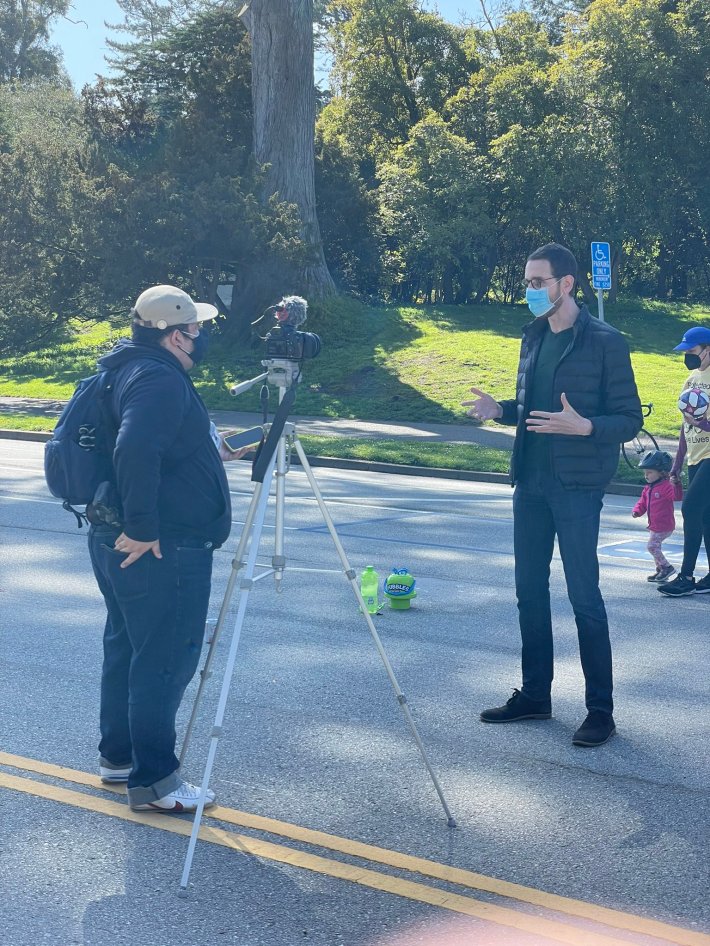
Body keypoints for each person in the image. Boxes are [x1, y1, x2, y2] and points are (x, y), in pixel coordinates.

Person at [462, 243, 642, 748]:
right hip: (532, 482)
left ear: (567, 284)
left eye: (539, 282)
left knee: (584, 597)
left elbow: (629, 419)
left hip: (578, 487)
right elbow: (533, 409)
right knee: (529, 593)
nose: (530, 291)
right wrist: (501, 410)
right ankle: (536, 696)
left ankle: (600, 711)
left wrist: (585, 426)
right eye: (527, 281)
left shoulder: (606, 342)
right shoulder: (533, 336)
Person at [88, 285, 248, 812]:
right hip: (163, 547)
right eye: (197, 330)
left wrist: (212, 454)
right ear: (176, 335)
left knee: (128, 647)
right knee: (163, 659)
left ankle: (120, 758)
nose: (201, 339)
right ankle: (156, 782)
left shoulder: (128, 367)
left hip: (123, 540)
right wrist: (144, 526)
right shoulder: (158, 378)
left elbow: (156, 445)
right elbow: (134, 446)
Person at [658, 326, 710, 597]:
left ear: (707, 349)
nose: (687, 356)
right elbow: (685, 425)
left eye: (692, 351)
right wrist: (677, 463)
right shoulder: (691, 380)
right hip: (696, 456)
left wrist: (704, 423)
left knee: (690, 509)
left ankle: (687, 576)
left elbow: (698, 421)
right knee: (705, 518)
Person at [631, 451, 681, 583]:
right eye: (645, 472)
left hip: (664, 525)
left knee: (652, 546)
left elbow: (676, 496)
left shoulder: (666, 486)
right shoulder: (648, 488)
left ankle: (667, 567)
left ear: (662, 473)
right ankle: (660, 570)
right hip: (654, 525)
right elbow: (642, 502)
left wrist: (675, 484)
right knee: (655, 546)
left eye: (650, 472)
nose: (646, 475)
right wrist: (637, 511)